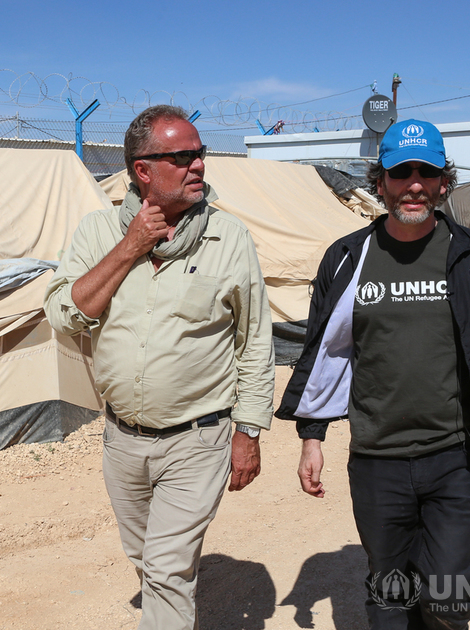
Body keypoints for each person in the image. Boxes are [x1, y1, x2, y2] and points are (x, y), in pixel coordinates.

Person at [275, 119, 470, 629]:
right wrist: (312, 435)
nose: (414, 184)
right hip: (376, 461)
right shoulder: (347, 259)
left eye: (426, 172)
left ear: (443, 182)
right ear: (380, 181)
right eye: (401, 172)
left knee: (450, 600)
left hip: (456, 458)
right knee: (392, 597)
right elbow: (325, 351)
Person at [44, 105, 275, 630]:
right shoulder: (99, 230)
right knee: (146, 558)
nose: (198, 164)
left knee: (167, 569)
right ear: (143, 170)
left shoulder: (228, 238)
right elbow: (64, 314)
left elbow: (253, 340)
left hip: (199, 439)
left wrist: (250, 430)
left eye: (200, 153)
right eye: (182, 156)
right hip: (122, 440)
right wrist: (131, 247)